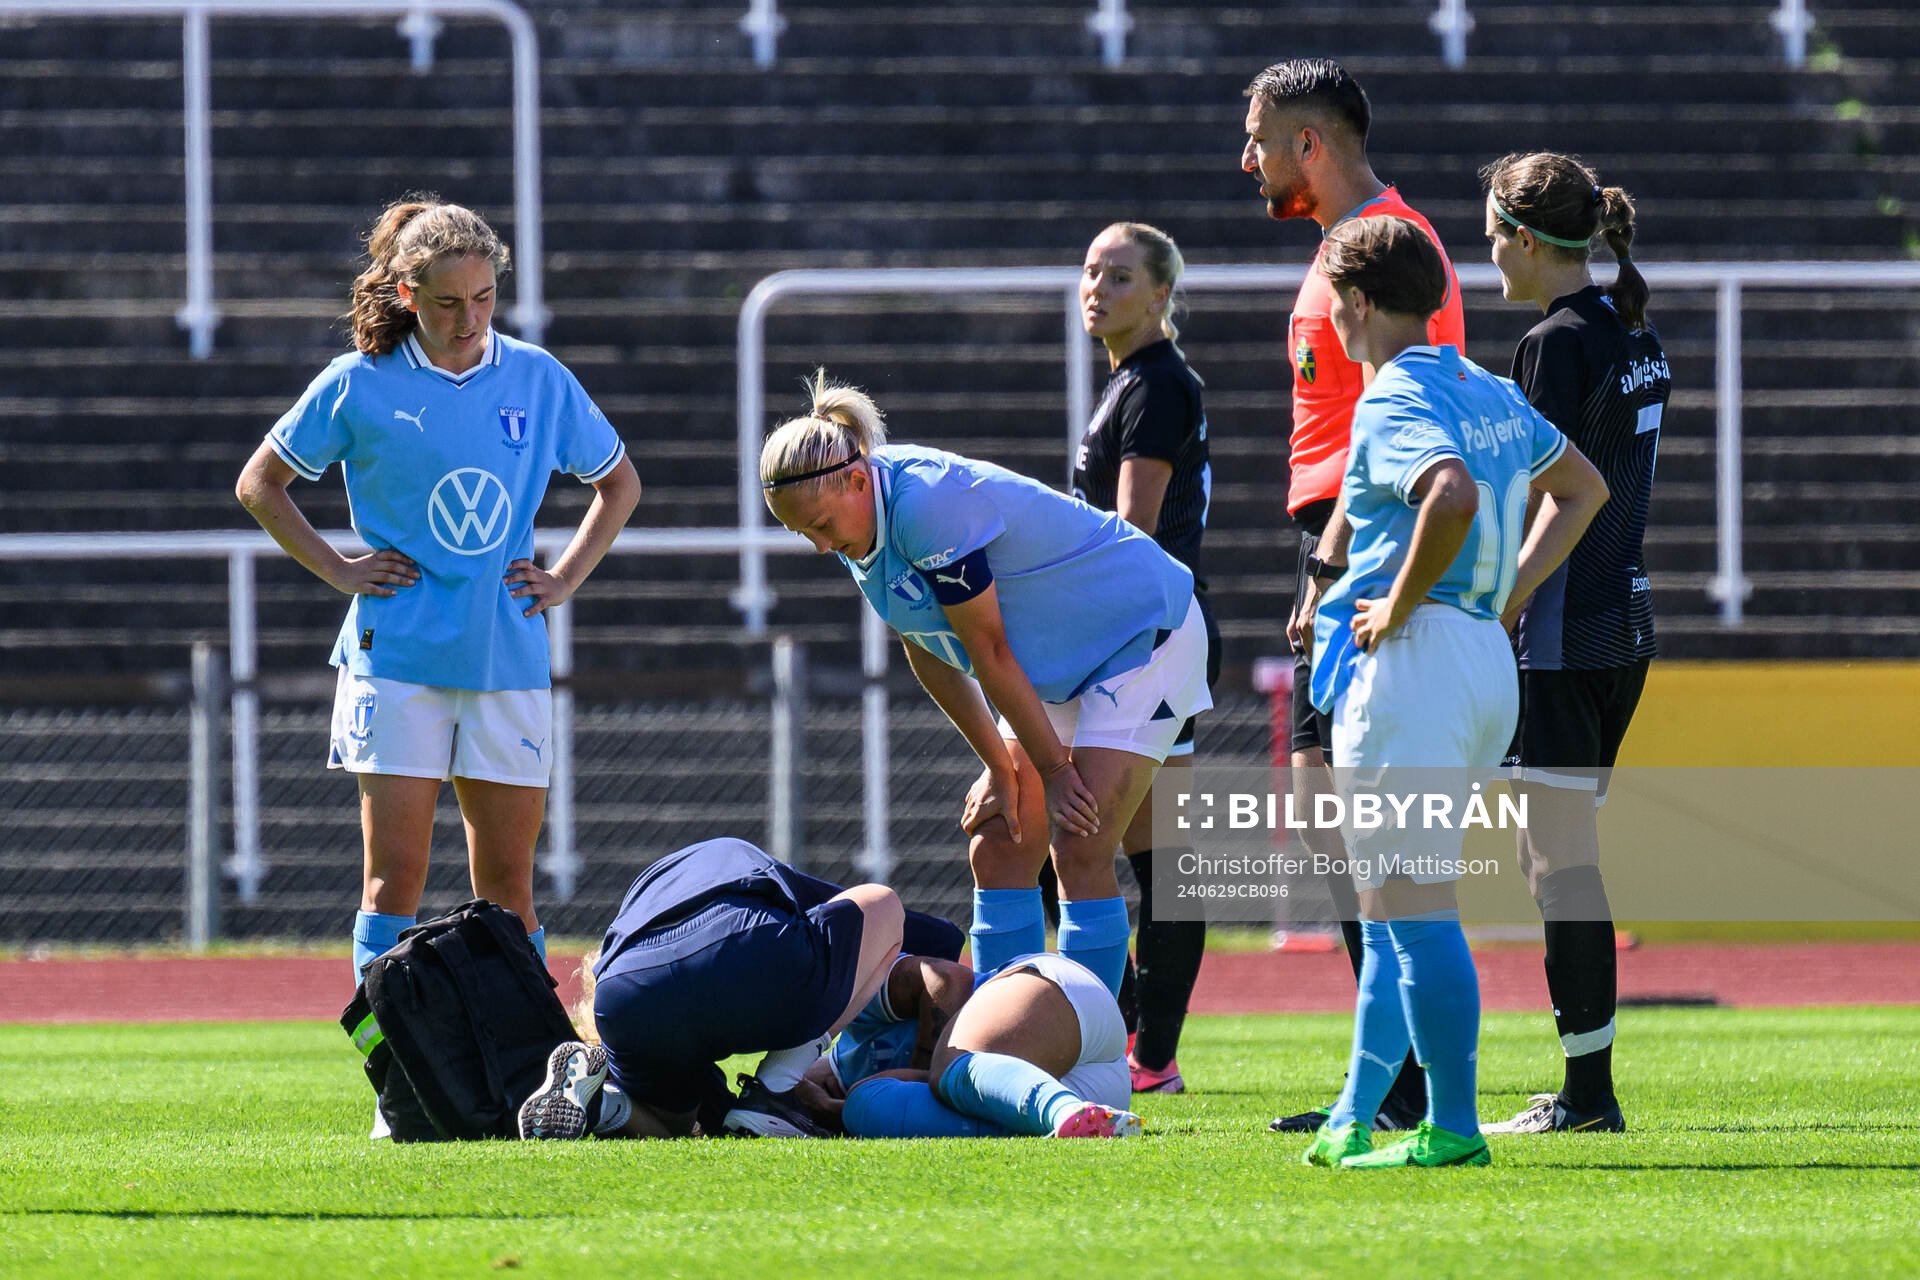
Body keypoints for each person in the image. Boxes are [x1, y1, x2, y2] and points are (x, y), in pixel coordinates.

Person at [234, 196, 641, 1117]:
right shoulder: (358, 381)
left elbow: (618, 482)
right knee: (395, 883)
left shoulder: (536, 378)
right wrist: (337, 567)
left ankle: (531, 1085)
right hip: (398, 661)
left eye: (486, 298)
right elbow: (260, 482)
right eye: (450, 303)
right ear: (408, 294)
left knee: (508, 890)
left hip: (508, 662)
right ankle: (400, 1092)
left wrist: (565, 578)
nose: (470, 320)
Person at [1294, 216, 1608, 1170]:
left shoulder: (1391, 394)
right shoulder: (1485, 383)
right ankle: (1356, 1114)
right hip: (1480, 662)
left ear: (1352, 303)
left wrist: (1394, 602)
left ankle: (1454, 1127)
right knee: (1395, 906)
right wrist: (1501, 597)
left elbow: (1453, 494)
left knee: (1412, 909)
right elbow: (1583, 487)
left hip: (1417, 667)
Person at [759, 373, 1212, 1006]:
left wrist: (1053, 772)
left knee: (1079, 845)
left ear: (859, 480)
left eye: (823, 526)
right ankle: (1000, 1047)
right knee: (1000, 842)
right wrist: (1001, 768)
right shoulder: (855, 520)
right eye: (806, 533)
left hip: (1142, 633)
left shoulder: (923, 505)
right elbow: (930, 652)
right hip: (1060, 662)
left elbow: (989, 651)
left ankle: (1088, 1059)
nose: (820, 545)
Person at [1239, 56, 1467, 1136]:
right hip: (1333, 540)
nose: (1251, 160)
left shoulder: (1393, 249)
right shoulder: (1344, 249)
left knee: (1353, 817)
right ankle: (1392, 1076)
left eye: (1262, 139)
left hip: (1362, 541)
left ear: (1310, 145)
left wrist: (1344, 564)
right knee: (1328, 816)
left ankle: (1405, 1084)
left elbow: (1420, 414)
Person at [1477, 152, 1670, 1136]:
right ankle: (1583, 1082)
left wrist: (1505, 601)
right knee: (1550, 853)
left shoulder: (1553, 343)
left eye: (1491, 235)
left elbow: (1558, 492)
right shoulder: (1631, 327)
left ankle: (1588, 1094)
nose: (1487, 256)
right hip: (1626, 625)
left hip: (1561, 632)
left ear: (1521, 235)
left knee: (1559, 863)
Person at [1048, 220, 1217, 1094]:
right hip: (1148, 641)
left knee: (1071, 843)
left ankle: (1138, 1049)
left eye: (1119, 277)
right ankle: (1146, 1048)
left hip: (1139, 644)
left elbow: (1130, 540)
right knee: (1154, 859)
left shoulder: (1154, 386)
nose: (1098, 289)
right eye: (1090, 273)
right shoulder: (1133, 384)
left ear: (1160, 294)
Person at [519, 836, 961, 1140]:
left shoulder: (625, 942)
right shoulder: (727, 857)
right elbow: (852, 911)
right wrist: (942, 941)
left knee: (672, 1122)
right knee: (883, 904)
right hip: (739, 942)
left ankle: (605, 1103)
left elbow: (706, 1113)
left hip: (623, 995)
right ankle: (774, 1090)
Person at [830, 950, 1141, 1140]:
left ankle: (1064, 1111)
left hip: (1050, 997)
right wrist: (828, 1110)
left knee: (949, 1066)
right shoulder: (842, 1089)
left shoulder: (839, 1002)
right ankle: (1076, 1120)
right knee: (866, 1109)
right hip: (1083, 1087)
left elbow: (947, 981)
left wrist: (924, 1070)